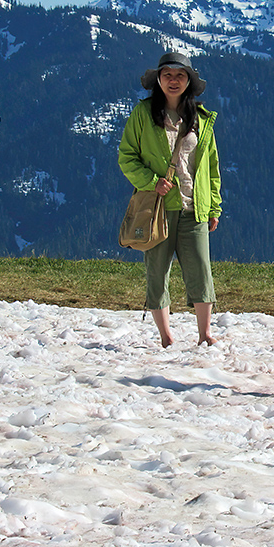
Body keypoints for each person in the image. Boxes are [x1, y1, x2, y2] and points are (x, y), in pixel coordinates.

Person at [118, 52, 222, 347]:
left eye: (180, 75)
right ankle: (166, 337)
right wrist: (152, 183)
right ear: (158, 81)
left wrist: (214, 206)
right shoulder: (143, 114)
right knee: (157, 270)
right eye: (167, 75)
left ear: (189, 81)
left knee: (201, 270)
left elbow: (211, 168)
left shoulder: (202, 119)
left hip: (195, 205)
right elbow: (127, 157)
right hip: (158, 207)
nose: (173, 81)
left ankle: (205, 335)